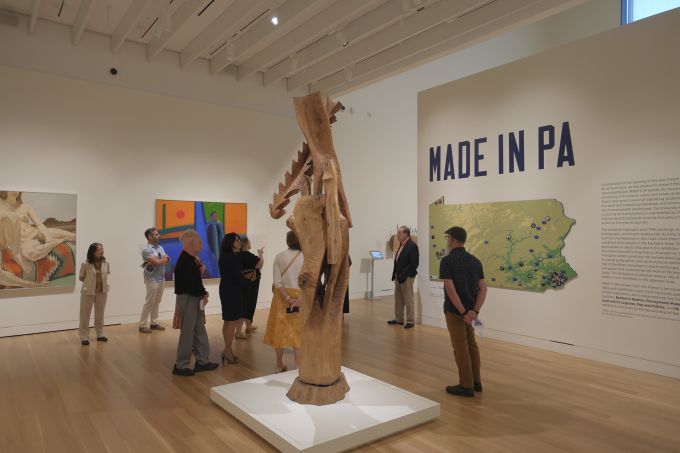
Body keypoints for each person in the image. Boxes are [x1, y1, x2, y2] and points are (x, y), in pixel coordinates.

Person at [439, 226, 487, 397]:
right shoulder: (475, 261)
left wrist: (463, 312)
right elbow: (482, 289)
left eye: (447, 238)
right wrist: (474, 311)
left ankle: (466, 385)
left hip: (456, 312)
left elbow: (450, 290)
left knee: (460, 347)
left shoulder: (447, 261)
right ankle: (476, 381)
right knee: (472, 344)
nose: (447, 242)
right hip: (471, 314)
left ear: (452, 239)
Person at [172, 230, 218, 376]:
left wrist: (202, 294)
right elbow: (190, 285)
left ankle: (202, 361)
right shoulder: (186, 261)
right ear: (191, 243)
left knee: (199, 330)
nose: (201, 244)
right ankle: (181, 365)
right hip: (188, 299)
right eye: (199, 241)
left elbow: (194, 282)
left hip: (193, 298)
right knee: (187, 333)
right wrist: (203, 294)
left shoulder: (190, 259)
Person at [0, 191, 76, 276]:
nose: (14, 192)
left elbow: (39, 224)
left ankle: (55, 240)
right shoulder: (2, 208)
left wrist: (48, 237)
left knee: (73, 236)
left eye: (16, 190)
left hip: (35, 232)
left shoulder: (26, 207)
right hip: (23, 241)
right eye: (10, 189)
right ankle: (58, 241)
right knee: (29, 253)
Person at [263, 231, 303, 373]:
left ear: (288, 241)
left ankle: (279, 364)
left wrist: (287, 298)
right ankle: (299, 366)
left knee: (279, 331)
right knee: (298, 332)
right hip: (301, 299)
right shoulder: (307, 257)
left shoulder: (279, 257)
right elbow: (311, 282)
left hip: (281, 298)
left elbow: (277, 282)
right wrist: (299, 299)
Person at [218, 232, 255, 363]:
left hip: (226, 289)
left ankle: (227, 350)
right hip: (232, 291)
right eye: (236, 240)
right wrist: (248, 281)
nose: (239, 241)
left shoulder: (224, 256)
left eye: (239, 239)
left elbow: (232, 275)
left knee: (227, 321)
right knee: (231, 321)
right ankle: (228, 351)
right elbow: (237, 277)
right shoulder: (232, 258)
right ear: (230, 243)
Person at [78, 243, 110, 345]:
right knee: (85, 315)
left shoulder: (106, 263)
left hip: (102, 292)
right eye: (99, 249)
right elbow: (81, 277)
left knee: (100, 314)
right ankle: (84, 337)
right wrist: (90, 284)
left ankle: (100, 334)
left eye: (102, 248)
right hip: (88, 292)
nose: (102, 250)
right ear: (93, 251)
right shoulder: (85, 264)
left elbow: (106, 275)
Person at [139, 227, 170, 333]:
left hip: (161, 277)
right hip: (152, 279)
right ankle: (142, 325)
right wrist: (164, 260)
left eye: (158, 234)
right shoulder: (146, 250)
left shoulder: (160, 247)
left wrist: (162, 260)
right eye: (156, 234)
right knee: (149, 302)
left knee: (157, 301)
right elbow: (157, 262)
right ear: (149, 237)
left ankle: (154, 323)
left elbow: (164, 258)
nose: (159, 236)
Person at [388, 225, 419, 329]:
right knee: (398, 299)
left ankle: (410, 320)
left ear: (406, 233)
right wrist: (396, 274)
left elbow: (414, 264)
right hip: (398, 276)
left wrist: (404, 275)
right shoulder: (402, 245)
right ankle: (399, 319)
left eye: (399, 233)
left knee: (408, 299)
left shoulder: (412, 246)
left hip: (406, 277)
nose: (397, 235)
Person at [235, 237, 264, 338]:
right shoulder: (247, 255)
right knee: (247, 305)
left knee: (246, 304)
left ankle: (248, 325)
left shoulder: (237, 255)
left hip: (242, 283)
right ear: (246, 244)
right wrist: (260, 254)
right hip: (250, 284)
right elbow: (259, 265)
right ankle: (238, 332)